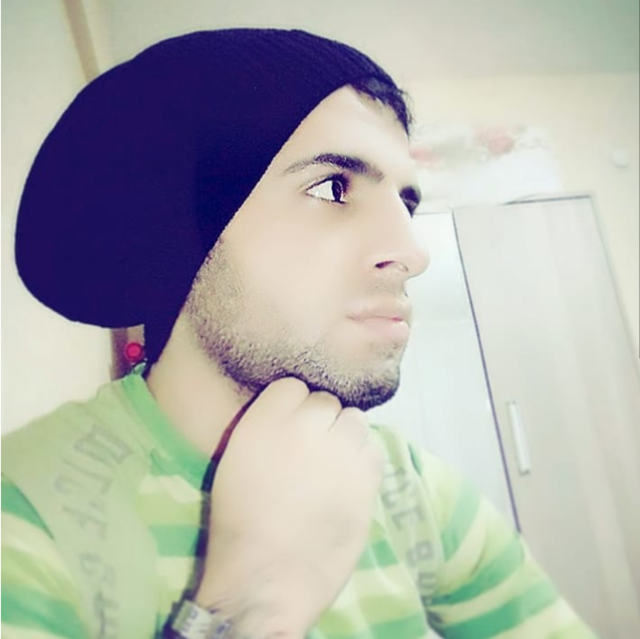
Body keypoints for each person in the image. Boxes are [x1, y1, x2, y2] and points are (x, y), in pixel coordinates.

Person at [0, 28, 597, 639]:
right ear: (178, 234)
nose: (413, 253)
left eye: (407, 203)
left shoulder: (412, 490)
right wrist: (241, 610)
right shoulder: (26, 516)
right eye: (333, 187)